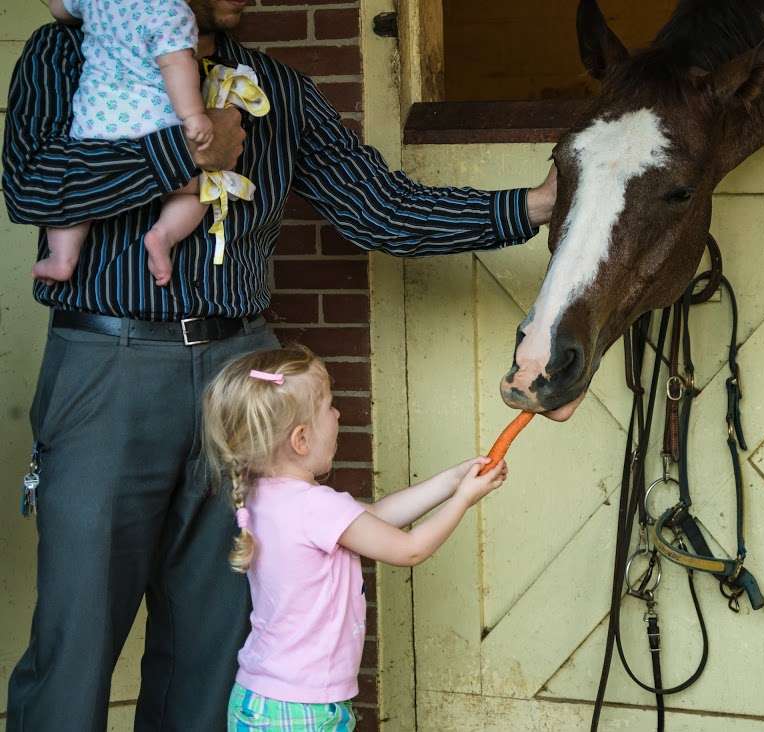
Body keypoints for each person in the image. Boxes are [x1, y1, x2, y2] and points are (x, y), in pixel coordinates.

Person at [2, 0, 557, 729]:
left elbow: (377, 206)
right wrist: (184, 153)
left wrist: (534, 205)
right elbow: (34, 185)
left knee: (213, 640)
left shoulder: (274, 88)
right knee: (76, 635)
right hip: (109, 363)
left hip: (244, 379)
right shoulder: (65, 52)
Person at [203, 346, 508, 731]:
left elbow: (376, 517)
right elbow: (409, 549)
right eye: (330, 406)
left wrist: (452, 481)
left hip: (261, 697)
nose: (338, 414)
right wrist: (464, 499)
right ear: (301, 439)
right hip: (304, 710)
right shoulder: (315, 507)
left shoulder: (265, 495)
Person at [37, 0, 216, 287]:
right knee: (193, 193)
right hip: (152, 124)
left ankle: (62, 257)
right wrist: (194, 115)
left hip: (93, 122)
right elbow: (175, 63)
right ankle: (163, 235)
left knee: (74, 197)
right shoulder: (170, 10)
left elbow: (60, 9)